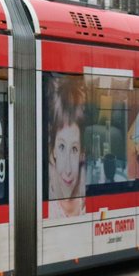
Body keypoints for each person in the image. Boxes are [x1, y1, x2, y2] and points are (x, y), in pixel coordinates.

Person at [46, 75, 86, 218]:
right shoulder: (48, 208)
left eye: (74, 149)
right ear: (53, 150)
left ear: (82, 154)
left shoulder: (88, 196)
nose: (68, 170)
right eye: (62, 147)